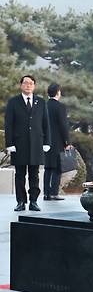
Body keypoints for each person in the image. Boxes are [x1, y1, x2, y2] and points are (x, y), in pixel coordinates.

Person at [4, 75, 51, 211]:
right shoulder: (13, 102)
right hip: (19, 145)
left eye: (31, 83)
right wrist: (9, 143)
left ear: (34, 86)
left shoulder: (41, 102)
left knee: (34, 175)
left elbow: (46, 124)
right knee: (19, 175)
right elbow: (9, 124)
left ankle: (34, 201)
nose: (28, 85)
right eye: (25, 83)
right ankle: (20, 202)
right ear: (21, 85)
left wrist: (47, 142)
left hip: (36, 144)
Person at [43, 83, 70, 201]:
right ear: (58, 93)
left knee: (48, 167)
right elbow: (63, 125)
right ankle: (54, 193)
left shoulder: (43, 106)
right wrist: (67, 142)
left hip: (45, 141)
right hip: (58, 141)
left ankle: (46, 194)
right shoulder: (60, 107)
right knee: (57, 168)